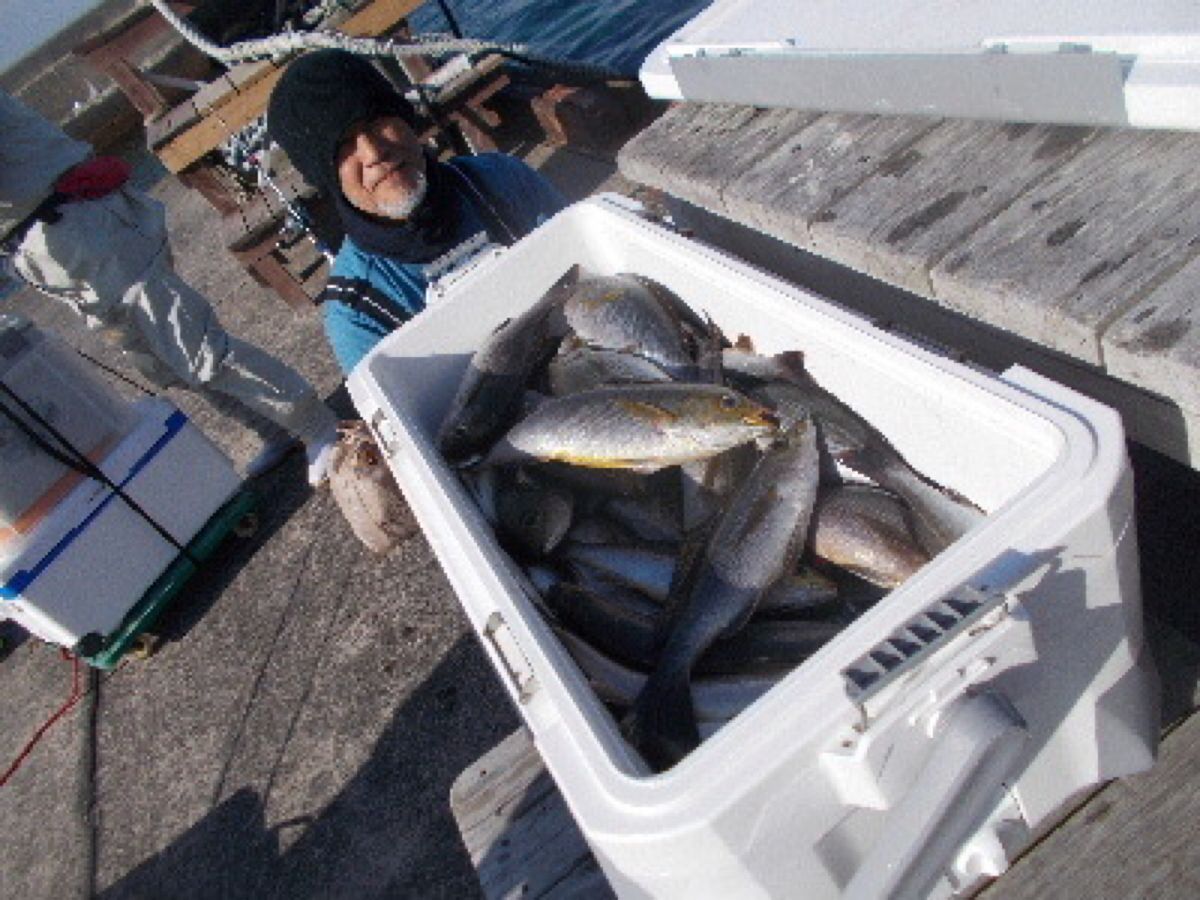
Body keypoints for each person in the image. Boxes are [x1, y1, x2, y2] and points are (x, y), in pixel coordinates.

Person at [0, 89, 339, 485]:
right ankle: (270, 427)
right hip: (43, 252)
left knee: (192, 343)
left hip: (82, 223)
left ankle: (317, 425)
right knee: (160, 362)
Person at [267, 49, 568, 374]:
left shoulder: (502, 179)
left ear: (406, 120)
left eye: (375, 121)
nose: (373, 152)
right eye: (345, 147)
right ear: (327, 177)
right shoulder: (357, 314)